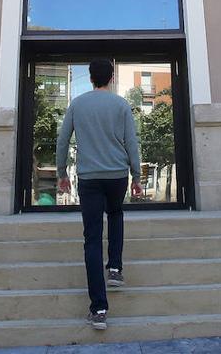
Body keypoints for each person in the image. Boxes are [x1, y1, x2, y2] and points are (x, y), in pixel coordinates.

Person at [56, 58, 143, 331]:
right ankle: (115, 268)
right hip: (117, 175)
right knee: (116, 214)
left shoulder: (77, 104)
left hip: (89, 178)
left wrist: (61, 173)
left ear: (91, 77)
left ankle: (99, 309)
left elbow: (62, 140)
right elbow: (132, 141)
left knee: (92, 238)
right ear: (111, 78)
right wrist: (137, 176)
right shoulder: (120, 105)